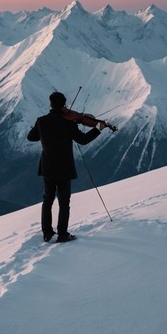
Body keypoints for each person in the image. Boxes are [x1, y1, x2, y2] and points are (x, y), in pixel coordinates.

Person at [27, 91, 106, 242]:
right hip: (64, 167)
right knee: (64, 202)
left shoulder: (41, 121)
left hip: (47, 166)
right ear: (64, 105)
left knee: (48, 199)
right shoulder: (68, 123)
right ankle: (62, 234)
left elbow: (31, 137)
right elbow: (82, 140)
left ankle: (47, 233)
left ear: (50, 104)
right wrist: (97, 129)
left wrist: (43, 134)